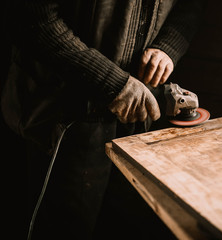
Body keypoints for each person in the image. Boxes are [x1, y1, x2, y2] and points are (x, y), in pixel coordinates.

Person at [1, 0, 207, 239]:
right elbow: (31, 19)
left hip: (136, 119)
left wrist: (168, 45)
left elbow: (191, 4)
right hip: (64, 119)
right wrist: (110, 82)